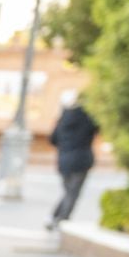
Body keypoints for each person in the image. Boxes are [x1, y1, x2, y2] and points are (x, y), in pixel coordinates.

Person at [48, 89, 99, 231]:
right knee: (73, 192)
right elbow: (97, 129)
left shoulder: (62, 119)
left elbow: (53, 139)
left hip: (63, 160)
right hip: (81, 160)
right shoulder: (88, 117)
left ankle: (54, 217)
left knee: (68, 191)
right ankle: (61, 218)